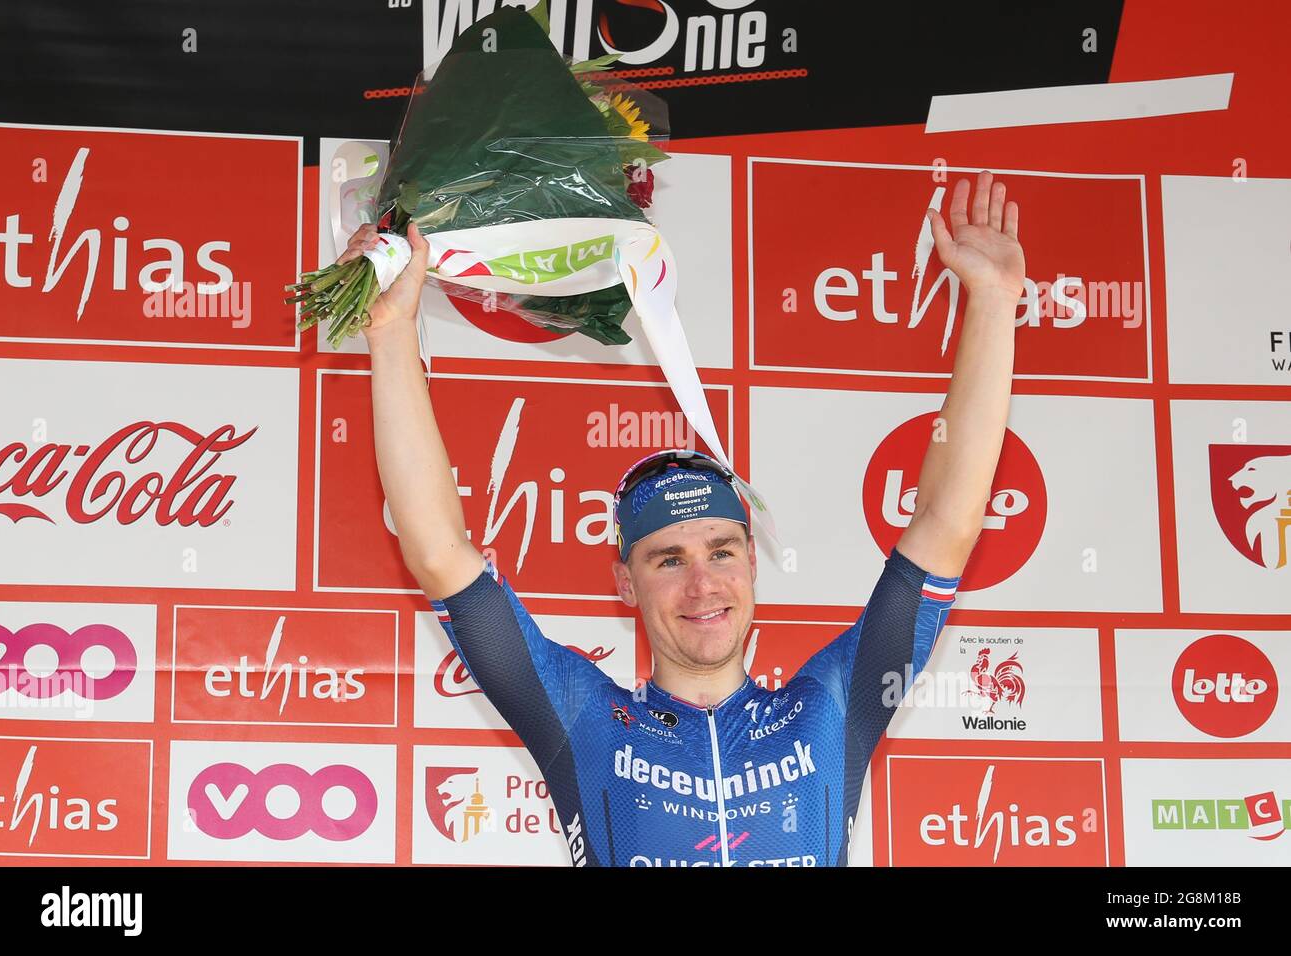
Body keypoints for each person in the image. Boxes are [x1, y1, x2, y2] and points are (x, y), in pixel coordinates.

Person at [347, 169, 1024, 866]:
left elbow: (945, 523)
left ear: (753, 564)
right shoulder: (580, 719)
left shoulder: (830, 709)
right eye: (669, 560)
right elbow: (437, 552)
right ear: (623, 582)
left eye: (722, 552)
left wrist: (995, 303)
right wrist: (392, 332)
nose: (703, 585)